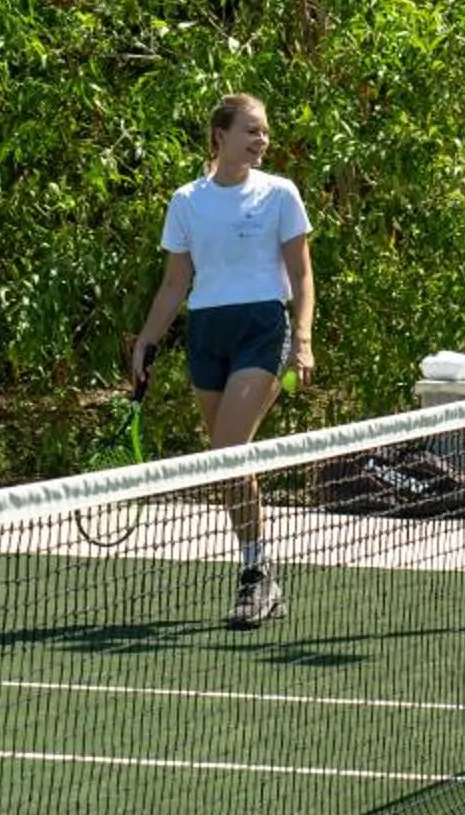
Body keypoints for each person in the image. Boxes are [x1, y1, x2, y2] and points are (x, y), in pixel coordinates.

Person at [128, 92, 315, 630]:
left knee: (228, 451)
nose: (262, 140)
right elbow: (174, 284)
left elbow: (301, 275)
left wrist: (302, 339)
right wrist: (146, 341)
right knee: (225, 462)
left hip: (262, 328)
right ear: (220, 136)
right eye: (251, 130)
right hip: (207, 333)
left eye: (265, 131)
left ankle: (255, 576)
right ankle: (261, 569)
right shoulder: (187, 201)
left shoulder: (280, 194)